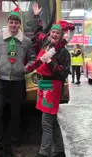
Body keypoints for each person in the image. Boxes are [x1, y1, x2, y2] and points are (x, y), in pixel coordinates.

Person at [0, 8, 36, 157]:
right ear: (8, 23)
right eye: (11, 22)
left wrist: (25, 69)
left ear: (19, 24)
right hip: (1, 81)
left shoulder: (26, 41)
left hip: (18, 82)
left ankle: (14, 143)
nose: (13, 25)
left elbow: (33, 58)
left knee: (16, 113)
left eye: (16, 22)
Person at [25, 23, 71, 157]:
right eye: (53, 32)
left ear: (62, 36)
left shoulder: (63, 52)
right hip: (43, 85)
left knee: (46, 122)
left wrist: (51, 62)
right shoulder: (46, 46)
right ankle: (59, 151)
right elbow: (38, 35)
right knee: (52, 120)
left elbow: (63, 73)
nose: (54, 35)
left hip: (54, 87)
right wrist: (37, 19)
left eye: (58, 33)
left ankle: (44, 153)